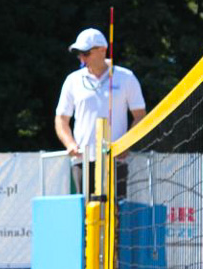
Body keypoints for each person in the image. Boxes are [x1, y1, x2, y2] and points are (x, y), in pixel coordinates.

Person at [54, 27, 146, 195]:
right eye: (79, 53)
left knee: (115, 216)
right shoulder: (72, 80)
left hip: (115, 159)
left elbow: (140, 116)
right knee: (85, 216)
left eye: (86, 53)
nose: (82, 57)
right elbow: (61, 119)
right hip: (83, 160)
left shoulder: (126, 77)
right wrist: (70, 144)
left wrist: (126, 144)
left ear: (103, 50)